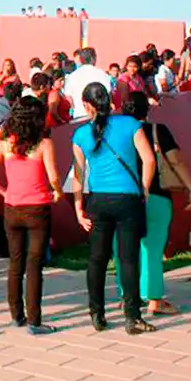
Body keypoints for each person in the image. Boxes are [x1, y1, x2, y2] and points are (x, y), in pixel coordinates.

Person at [71, 83, 157, 335]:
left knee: (97, 259)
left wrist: (79, 209)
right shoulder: (130, 124)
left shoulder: (80, 134)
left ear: (86, 105)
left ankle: (97, 314)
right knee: (128, 259)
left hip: (98, 200)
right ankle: (133, 317)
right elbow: (149, 160)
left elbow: (78, 176)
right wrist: (145, 189)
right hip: (127, 199)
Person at [0, 96, 62, 334]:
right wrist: (56, 192)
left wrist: (3, 191)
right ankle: (35, 321)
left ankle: (17, 315)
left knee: (15, 264)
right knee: (34, 264)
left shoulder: (5, 145)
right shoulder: (44, 145)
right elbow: (54, 177)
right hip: (37, 209)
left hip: (12, 208)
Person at [114, 92, 191, 316]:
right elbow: (175, 161)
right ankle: (154, 299)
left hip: (124, 197)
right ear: (147, 110)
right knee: (152, 247)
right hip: (156, 194)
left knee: (125, 248)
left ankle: (127, 295)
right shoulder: (157, 131)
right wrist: (190, 186)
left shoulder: (116, 132)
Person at [64, 48, 113, 120]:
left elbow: (68, 98)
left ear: (80, 59)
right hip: (99, 115)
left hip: (79, 115)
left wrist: (74, 108)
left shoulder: (73, 75)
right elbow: (108, 94)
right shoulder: (102, 74)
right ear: (94, 58)